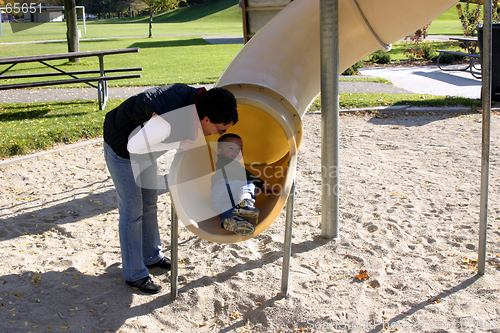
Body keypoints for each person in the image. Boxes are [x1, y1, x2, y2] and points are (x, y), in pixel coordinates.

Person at [103, 84, 238, 294]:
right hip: (124, 150)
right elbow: (134, 147)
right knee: (132, 212)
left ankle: (151, 255)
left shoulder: (195, 104)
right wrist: (176, 144)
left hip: (146, 147)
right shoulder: (166, 123)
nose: (220, 133)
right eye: (221, 130)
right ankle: (135, 274)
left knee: (149, 204)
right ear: (206, 119)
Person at [211, 133, 277, 236]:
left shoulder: (222, 162)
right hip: (225, 185)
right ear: (220, 151)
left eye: (239, 148)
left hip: (217, 196)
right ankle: (245, 202)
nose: (237, 152)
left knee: (227, 209)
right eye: (231, 148)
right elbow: (246, 175)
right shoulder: (227, 162)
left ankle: (234, 222)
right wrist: (262, 185)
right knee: (248, 184)